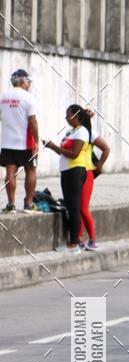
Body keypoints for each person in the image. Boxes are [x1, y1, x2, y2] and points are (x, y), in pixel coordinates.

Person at [42, 104, 93, 251]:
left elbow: (74, 154)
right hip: (66, 171)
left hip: (75, 171)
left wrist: (53, 146)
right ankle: (73, 241)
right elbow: (62, 151)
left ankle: (74, 243)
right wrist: (52, 147)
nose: (66, 118)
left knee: (74, 207)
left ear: (76, 116)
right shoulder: (70, 132)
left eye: (68, 115)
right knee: (70, 206)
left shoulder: (82, 132)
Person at [0, 68, 39, 213]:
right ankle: (28, 204)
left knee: (10, 171)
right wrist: (36, 141)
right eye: (28, 82)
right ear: (23, 81)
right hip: (26, 142)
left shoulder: (3, 97)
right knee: (31, 170)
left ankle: (11, 205)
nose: (29, 84)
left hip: (7, 142)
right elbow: (32, 121)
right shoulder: (29, 97)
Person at [78, 108, 110, 251]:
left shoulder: (90, 134)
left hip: (86, 173)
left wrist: (99, 166)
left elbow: (106, 148)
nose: (67, 119)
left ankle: (92, 240)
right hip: (74, 173)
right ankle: (79, 239)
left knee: (83, 208)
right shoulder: (72, 133)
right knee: (76, 207)